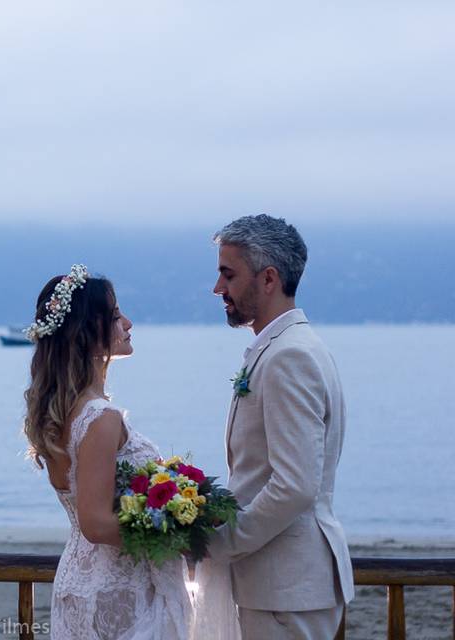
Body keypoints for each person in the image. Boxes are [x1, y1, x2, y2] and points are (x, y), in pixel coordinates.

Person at [22, 264, 191, 639]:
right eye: (115, 316)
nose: (128, 323)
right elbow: (96, 523)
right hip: (119, 590)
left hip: (79, 580)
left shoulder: (65, 414)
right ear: (88, 333)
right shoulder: (100, 418)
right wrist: (176, 530)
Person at [210, 215, 354, 639]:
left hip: (285, 590)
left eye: (228, 274)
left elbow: (295, 486)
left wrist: (220, 545)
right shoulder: (285, 348)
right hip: (280, 587)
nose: (218, 288)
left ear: (268, 278)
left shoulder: (289, 356)